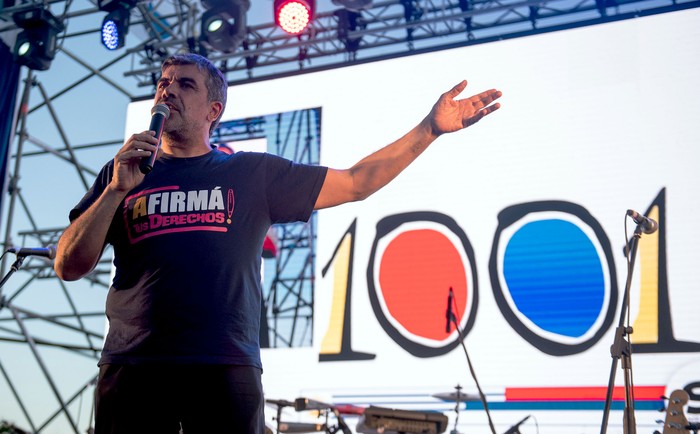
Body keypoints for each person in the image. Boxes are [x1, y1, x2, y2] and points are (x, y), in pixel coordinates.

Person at [53, 53, 501, 434]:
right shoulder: (122, 173)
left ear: (213, 110)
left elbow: (356, 183)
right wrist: (114, 190)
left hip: (224, 366)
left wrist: (430, 128)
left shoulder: (251, 173)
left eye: (184, 85)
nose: (167, 91)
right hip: (133, 367)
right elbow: (69, 264)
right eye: (163, 83)